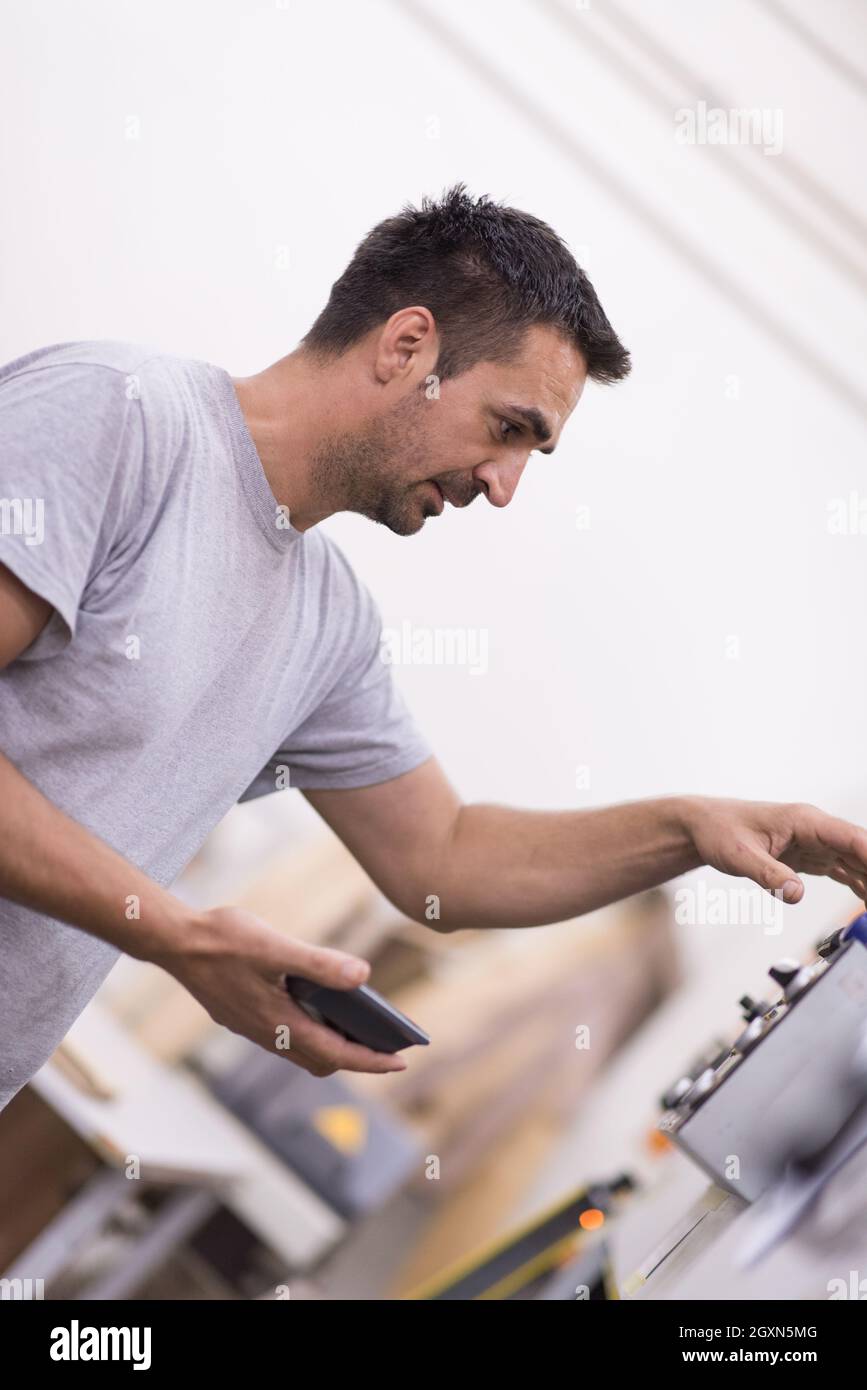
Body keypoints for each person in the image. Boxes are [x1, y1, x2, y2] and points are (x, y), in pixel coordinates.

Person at [1, 183, 865, 1110]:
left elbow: (444, 863)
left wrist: (687, 827)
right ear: (407, 346)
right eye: (507, 430)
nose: (503, 487)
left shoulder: (325, 622)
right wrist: (174, 934)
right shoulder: (118, 417)